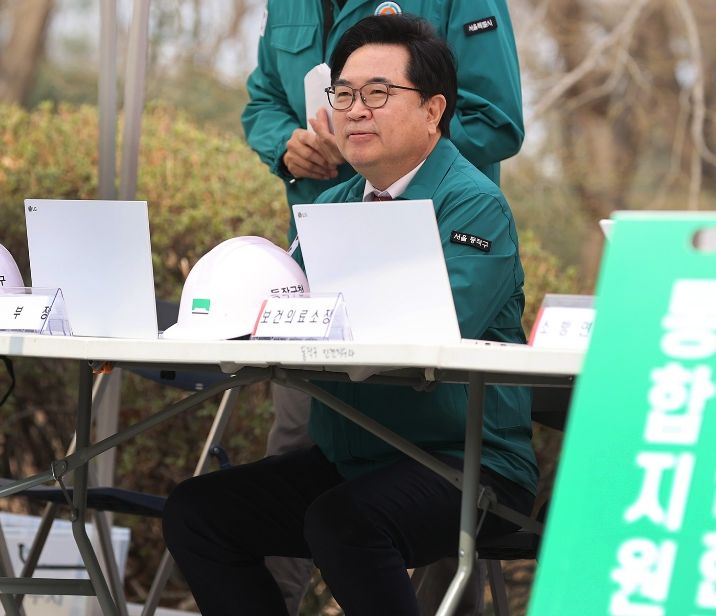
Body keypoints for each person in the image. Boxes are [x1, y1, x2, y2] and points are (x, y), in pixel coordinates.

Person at [164, 15, 537, 616]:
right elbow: (285, 306)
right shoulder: (331, 203)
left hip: (468, 465)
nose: (355, 110)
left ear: (434, 110)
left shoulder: (474, 204)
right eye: (343, 93)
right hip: (355, 458)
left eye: (379, 93)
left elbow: (436, 328)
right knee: (199, 512)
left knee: (344, 524)